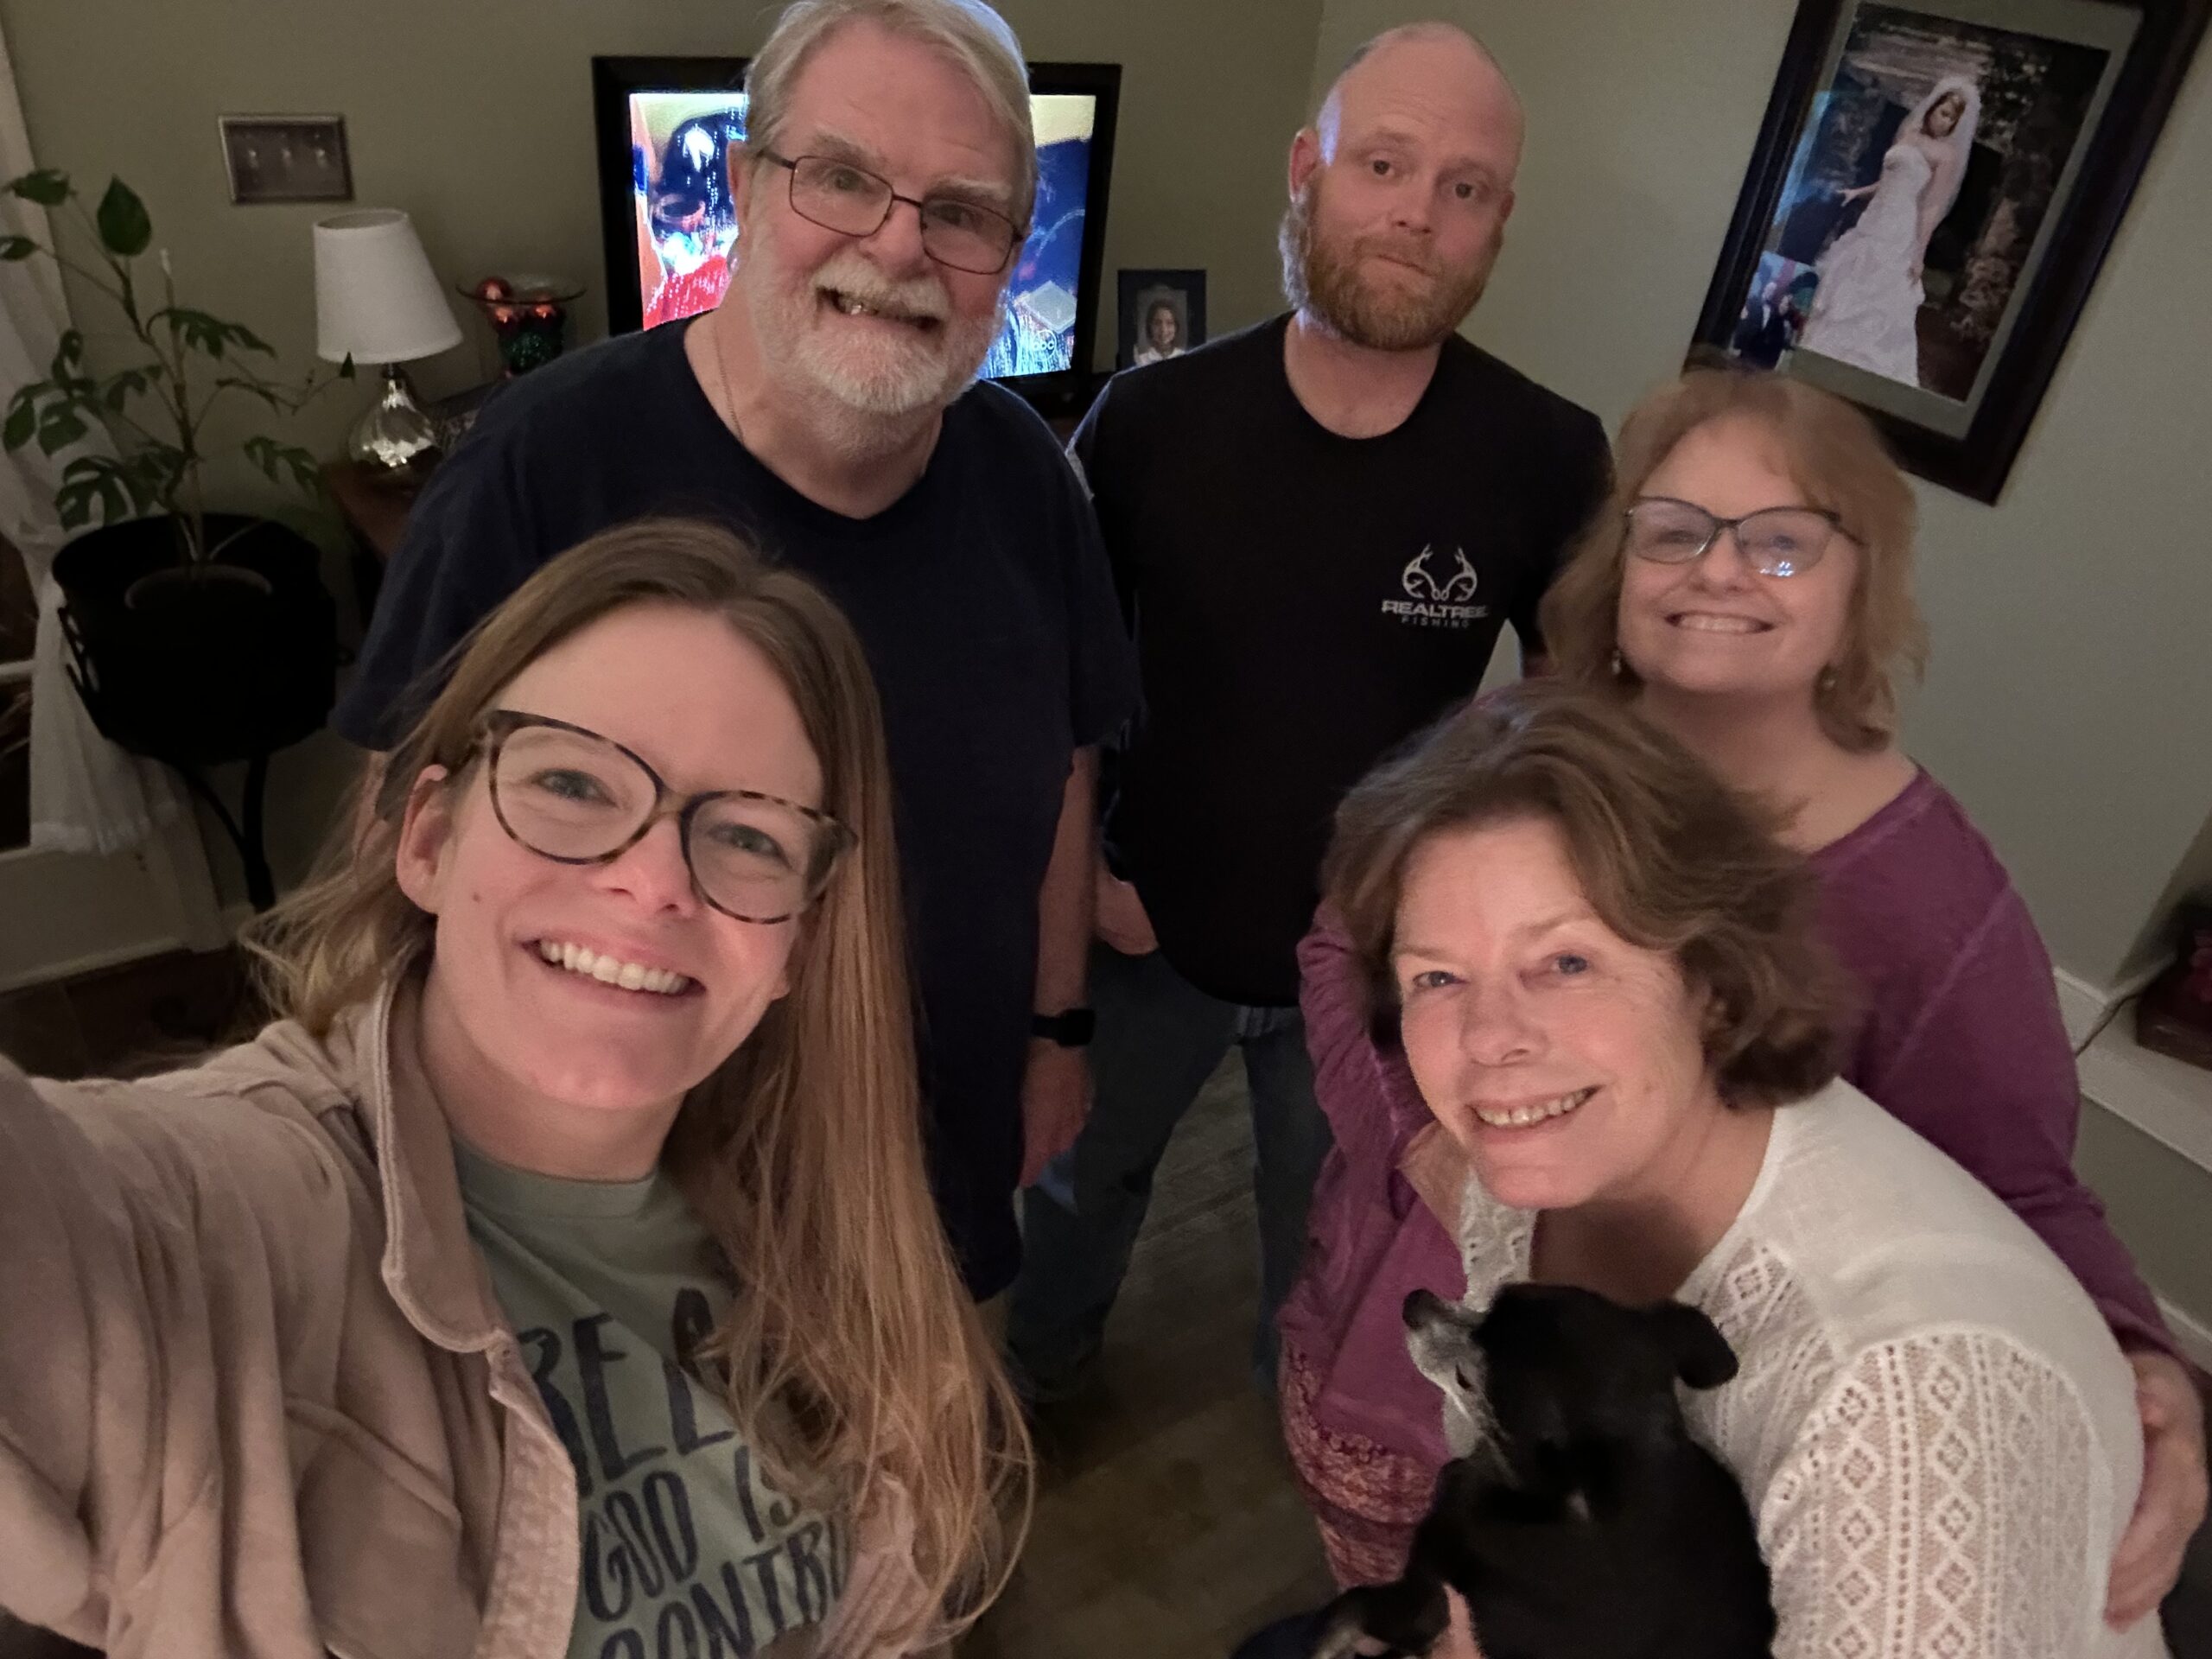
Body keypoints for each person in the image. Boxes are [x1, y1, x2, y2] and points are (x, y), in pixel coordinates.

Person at [1275, 369, 2207, 1629]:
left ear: (1860, 585)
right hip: (1394, 1354)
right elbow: (1344, 951)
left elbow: (2019, 1191)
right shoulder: (1510, 742)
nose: (1717, 572)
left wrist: (2135, 1359)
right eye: (1675, 530)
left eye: (1779, 543)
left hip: (1638, 1492)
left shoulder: (1934, 902)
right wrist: (1435, 1146)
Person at [0, 521, 1030, 1659]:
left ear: (799, 942)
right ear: (430, 840)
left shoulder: (824, 1227)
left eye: (746, 835)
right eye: (573, 782)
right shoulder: (232, 1220)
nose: (652, 883)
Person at [334, 0, 1136, 1306]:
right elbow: (390, 854)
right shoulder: (546, 463)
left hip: (927, 1198)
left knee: (916, 1508)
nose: (899, 245)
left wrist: (1057, 1031)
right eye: (843, 178)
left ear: (1007, 250)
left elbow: (1061, 776)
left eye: (963, 210)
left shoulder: (1029, 482)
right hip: (603, 1233)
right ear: (752, 185)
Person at [1007, 21, 1610, 1398]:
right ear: (1308, 171)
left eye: (1464, 188)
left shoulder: (1549, 456)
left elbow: (1570, 746)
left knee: (1329, 1246)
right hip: (1146, 933)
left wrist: (1466, 947)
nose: (1416, 212)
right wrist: (1087, 888)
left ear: (1498, 224)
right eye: (1383, 164)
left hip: (1374, 973)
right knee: (1077, 1197)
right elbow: (1062, 705)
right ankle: (1033, 1393)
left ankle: (1315, 1437)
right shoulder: (1150, 421)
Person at [1796, 75, 1980, 386]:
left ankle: (1863, 363)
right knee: (1848, 276)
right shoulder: (1908, 134)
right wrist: (1858, 192)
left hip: (1900, 226)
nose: (1944, 121)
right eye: (1942, 112)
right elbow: (1891, 178)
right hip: (1875, 216)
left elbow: (1931, 206)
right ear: (1932, 107)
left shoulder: (1945, 155)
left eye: (1952, 118)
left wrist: (1919, 253)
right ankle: (1823, 351)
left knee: (1879, 292)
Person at [1132, 296, 1183, 365]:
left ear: (1176, 327)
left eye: (1169, 323)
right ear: (1150, 327)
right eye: (1157, 323)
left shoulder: (1184, 357)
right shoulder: (1141, 360)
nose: (1163, 330)